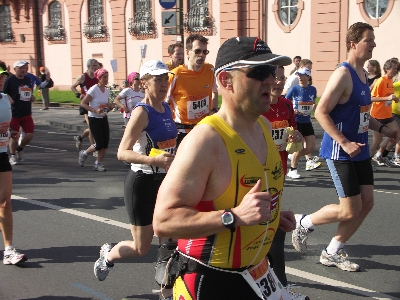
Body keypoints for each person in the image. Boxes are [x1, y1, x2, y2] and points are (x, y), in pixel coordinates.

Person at [153, 36, 297, 300]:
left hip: (257, 274)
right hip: (210, 280)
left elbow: (243, 198)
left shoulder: (263, 126)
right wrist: (235, 216)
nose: (271, 79)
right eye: (259, 72)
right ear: (225, 81)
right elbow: (163, 221)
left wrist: (274, 217)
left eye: (272, 70)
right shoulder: (205, 141)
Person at [291, 22, 400, 272]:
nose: (373, 44)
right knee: (350, 209)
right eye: (368, 40)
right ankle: (304, 223)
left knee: (367, 202)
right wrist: (344, 141)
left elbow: (362, 113)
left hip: (359, 149)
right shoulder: (343, 74)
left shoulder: (363, 75)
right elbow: (321, 111)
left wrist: (384, 130)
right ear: (353, 43)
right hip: (341, 150)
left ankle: (332, 251)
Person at [93, 61, 177, 299]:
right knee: (141, 248)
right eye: (158, 79)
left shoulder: (167, 108)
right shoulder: (142, 112)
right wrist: (155, 161)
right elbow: (122, 152)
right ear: (144, 83)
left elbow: (169, 145)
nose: (163, 84)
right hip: (141, 181)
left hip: (165, 182)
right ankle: (109, 254)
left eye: (165, 79)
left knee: (170, 241)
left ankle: (167, 292)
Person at [262, 65, 304, 289]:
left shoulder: (287, 105)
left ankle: (274, 279)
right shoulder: (259, 106)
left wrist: (295, 135)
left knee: (272, 217)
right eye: (275, 79)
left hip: (280, 170)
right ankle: (276, 280)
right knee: (267, 221)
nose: (278, 83)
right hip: (259, 171)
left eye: (281, 79)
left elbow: (292, 133)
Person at [166, 34, 218, 146]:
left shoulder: (210, 70)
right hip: (182, 130)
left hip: (203, 128)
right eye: (197, 51)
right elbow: (164, 102)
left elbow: (214, 91)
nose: (201, 55)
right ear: (187, 52)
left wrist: (213, 110)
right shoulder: (175, 75)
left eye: (205, 52)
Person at [0, 92, 28, 265]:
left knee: (5, 202)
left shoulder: (4, 99)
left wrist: (10, 132)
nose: (1, 79)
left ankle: (8, 250)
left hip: (1, 154)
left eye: (3, 76)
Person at [4, 60, 49, 165]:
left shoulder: (28, 79)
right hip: (13, 112)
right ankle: (12, 155)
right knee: (14, 135)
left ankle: (20, 149)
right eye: (21, 68)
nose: (23, 70)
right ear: (15, 69)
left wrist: (31, 96)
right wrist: (9, 99)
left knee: (29, 135)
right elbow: (3, 93)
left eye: (25, 68)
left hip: (26, 112)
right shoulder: (10, 80)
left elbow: (27, 92)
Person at [285, 68, 320, 179]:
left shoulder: (313, 89)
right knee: (299, 148)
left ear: (308, 77)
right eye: (298, 75)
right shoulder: (294, 89)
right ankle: (293, 170)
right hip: (297, 121)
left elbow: (312, 102)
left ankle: (294, 156)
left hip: (307, 121)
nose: (300, 77)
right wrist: (293, 110)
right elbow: (286, 102)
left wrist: (314, 106)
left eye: (302, 75)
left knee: (311, 147)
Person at [78, 68, 112, 171]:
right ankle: (84, 153)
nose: (106, 79)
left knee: (105, 144)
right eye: (104, 77)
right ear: (99, 78)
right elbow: (83, 103)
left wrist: (110, 107)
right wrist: (94, 110)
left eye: (107, 77)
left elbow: (105, 106)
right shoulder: (94, 89)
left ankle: (97, 163)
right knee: (99, 144)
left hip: (103, 118)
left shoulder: (106, 90)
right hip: (94, 118)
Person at [369, 58, 400, 167]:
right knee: (377, 141)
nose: (396, 71)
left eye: (397, 69)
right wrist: (387, 98)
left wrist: (394, 99)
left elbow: (389, 97)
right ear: (387, 69)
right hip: (377, 115)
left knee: (397, 133)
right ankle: (366, 163)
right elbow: (371, 98)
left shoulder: (391, 81)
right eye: (394, 69)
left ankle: (381, 155)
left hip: (388, 114)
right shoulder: (381, 81)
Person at [71, 59, 100, 152]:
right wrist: (78, 95)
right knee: (92, 126)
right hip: (85, 104)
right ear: (89, 67)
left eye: (97, 66)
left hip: (94, 104)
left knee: (94, 126)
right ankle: (93, 148)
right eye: (95, 66)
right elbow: (73, 87)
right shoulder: (83, 77)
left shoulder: (97, 77)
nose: (97, 67)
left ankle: (79, 137)